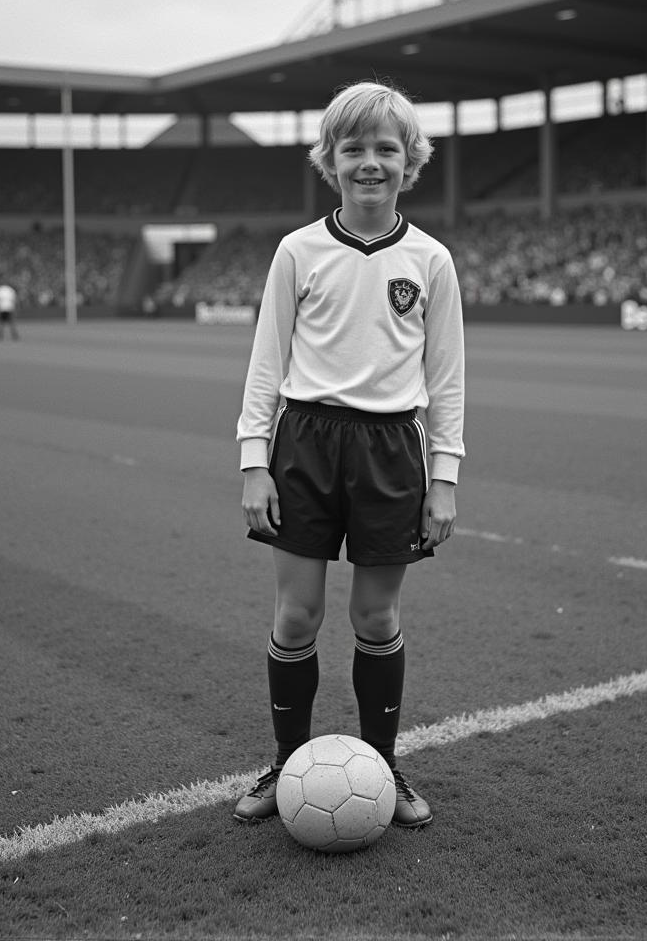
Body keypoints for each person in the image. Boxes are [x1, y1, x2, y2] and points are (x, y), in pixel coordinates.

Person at [233, 81, 465, 829]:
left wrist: (444, 481)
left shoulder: (431, 260)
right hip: (304, 441)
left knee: (375, 613)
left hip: (393, 449)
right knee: (297, 615)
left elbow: (446, 379)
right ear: (330, 161)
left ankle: (384, 766)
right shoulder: (298, 251)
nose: (370, 162)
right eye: (354, 148)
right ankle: (285, 762)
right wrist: (253, 461)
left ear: (410, 161)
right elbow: (265, 363)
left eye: (386, 149)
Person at [0, 276, 19, 341]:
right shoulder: (10, 289)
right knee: (11, 322)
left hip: (1, 307)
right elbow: (15, 300)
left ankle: (0, 335)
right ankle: (14, 335)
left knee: (1, 322)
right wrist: (15, 308)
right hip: (9, 307)